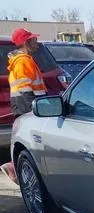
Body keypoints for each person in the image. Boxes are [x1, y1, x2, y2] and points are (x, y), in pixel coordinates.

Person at [0, 28, 47, 185]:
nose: (36, 43)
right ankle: (15, 168)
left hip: (25, 105)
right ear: (26, 42)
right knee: (31, 144)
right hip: (28, 106)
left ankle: (14, 167)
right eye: (33, 40)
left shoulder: (23, 60)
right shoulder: (23, 62)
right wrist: (35, 109)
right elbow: (26, 91)